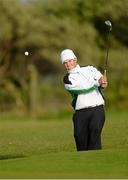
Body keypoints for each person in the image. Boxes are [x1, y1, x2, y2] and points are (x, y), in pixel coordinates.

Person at [60, 49, 108, 151]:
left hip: (97, 108)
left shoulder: (90, 69)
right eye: (65, 63)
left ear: (75, 60)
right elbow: (82, 88)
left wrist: (103, 83)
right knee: (80, 139)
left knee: (95, 136)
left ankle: (96, 164)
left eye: (69, 61)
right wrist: (97, 83)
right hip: (81, 112)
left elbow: (101, 81)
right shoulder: (67, 79)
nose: (67, 64)